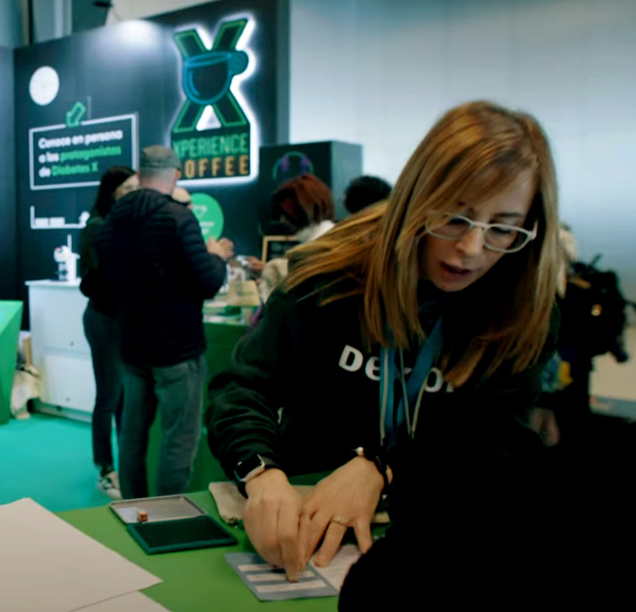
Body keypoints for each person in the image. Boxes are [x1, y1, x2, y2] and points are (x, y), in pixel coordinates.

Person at [205, 101, 565, 602]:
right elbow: (242, 388)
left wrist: (382, 466)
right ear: (419, 198)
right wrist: (262, 475)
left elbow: (498, 438)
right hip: (308, 526)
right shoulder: (328, 276)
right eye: (455, 217)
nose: (471, 248)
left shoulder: (522, 306)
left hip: (441, 530)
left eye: (503, 228)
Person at [98, 146, 232, 500]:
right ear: (175, 176)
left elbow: (105, 284)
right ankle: (169, 513)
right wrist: (217, 256)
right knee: (179, 437)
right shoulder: (178, 217)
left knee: (132, 434)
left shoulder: (112, 220)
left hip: (133, 346)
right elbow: (207, 281)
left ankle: (134, 508)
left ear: (140, 175)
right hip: (178, 349)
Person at [79, 165, 138, 499]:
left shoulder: (124, 224)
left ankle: (124, 466)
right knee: (108, 397)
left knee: (124, 398)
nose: (132, 195)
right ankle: (105, 469)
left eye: (135, 188)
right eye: (126, 189)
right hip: (104, 321)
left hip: (122, 322)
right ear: (111, 193)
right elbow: (91, 282)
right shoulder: (97, 227)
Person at [258, 174, 335, 298]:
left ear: (304, 208)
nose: (283, 220)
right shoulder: (329, 236)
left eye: (286, 214)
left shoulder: (320, 246)